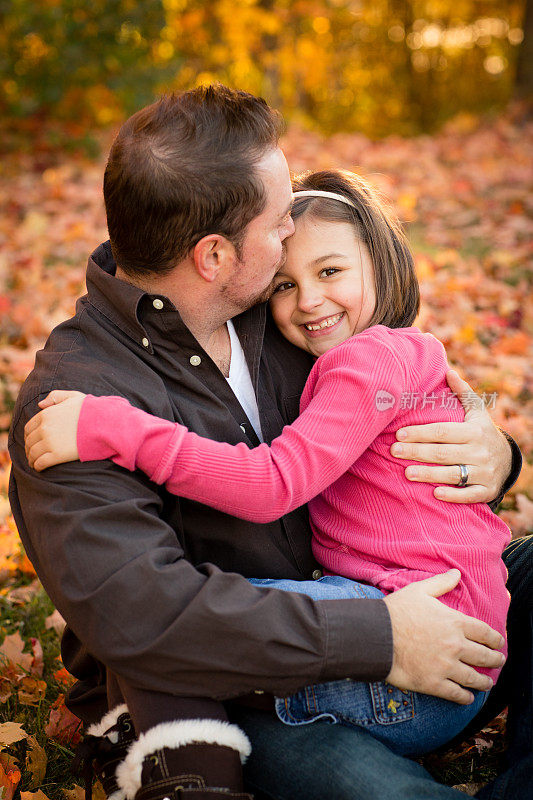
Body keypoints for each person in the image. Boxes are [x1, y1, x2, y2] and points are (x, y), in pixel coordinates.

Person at [8, 86, 529, 800]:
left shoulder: (283, 309)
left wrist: (496, 452)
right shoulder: (78, 398)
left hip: (427, 606)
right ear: (214, 254)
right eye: (280, 221)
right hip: (274, 666)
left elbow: (412, 389)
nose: (294, 230)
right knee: (371, 791)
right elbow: (144, 614)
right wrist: (377, 636)